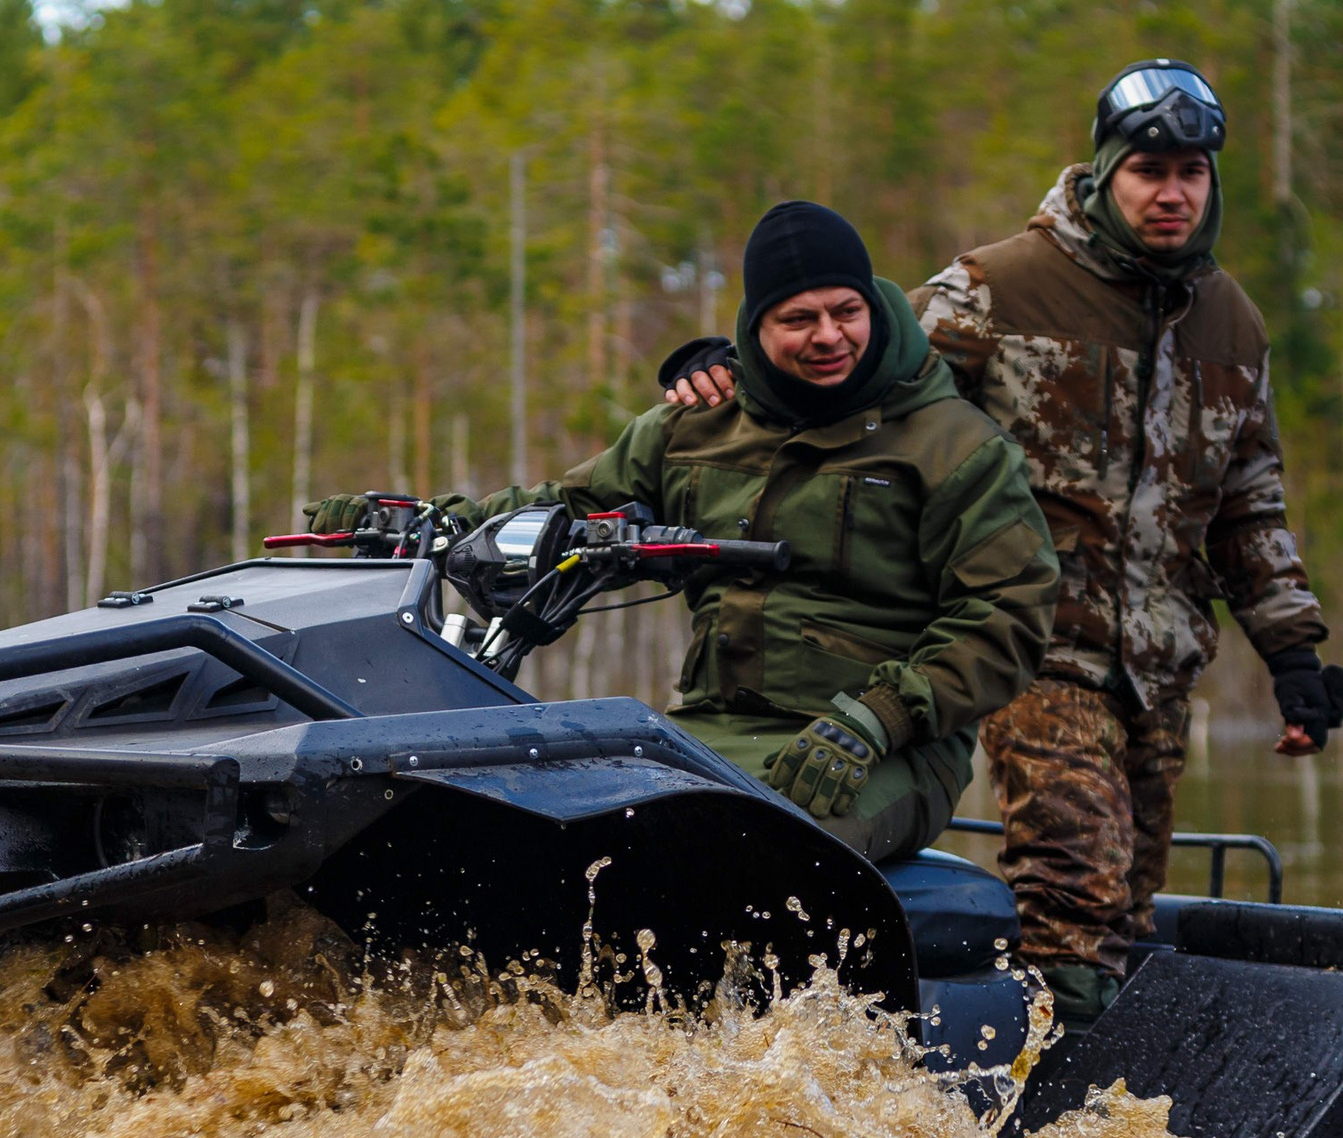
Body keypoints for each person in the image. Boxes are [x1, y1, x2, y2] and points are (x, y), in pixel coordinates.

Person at [663, 62, 1343, 1026]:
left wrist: (1294, 654)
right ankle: (1033, 1107)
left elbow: (1249, 500)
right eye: (1151, 169)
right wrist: (727, 368)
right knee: (1073, 892)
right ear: (1107, 171)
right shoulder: (1004, 286)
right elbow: (856, 365)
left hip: (1158, 661)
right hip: (1025, 641)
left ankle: (1095, 1116)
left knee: (1126, 902)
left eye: (1191, 172)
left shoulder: (1232, 322)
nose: (1172, 192)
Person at [307, 200, 1057, 864]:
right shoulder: (692, 426)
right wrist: (418, 522)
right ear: (755, 330)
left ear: (873, 306)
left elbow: (1007, 619)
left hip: (881, 750)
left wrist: (879, 716)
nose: (828, 336)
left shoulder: (956, 446)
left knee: (751, 857)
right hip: (707, 727)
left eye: (845, 311)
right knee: (550, 842)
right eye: (798, 320)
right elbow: (564, 505)